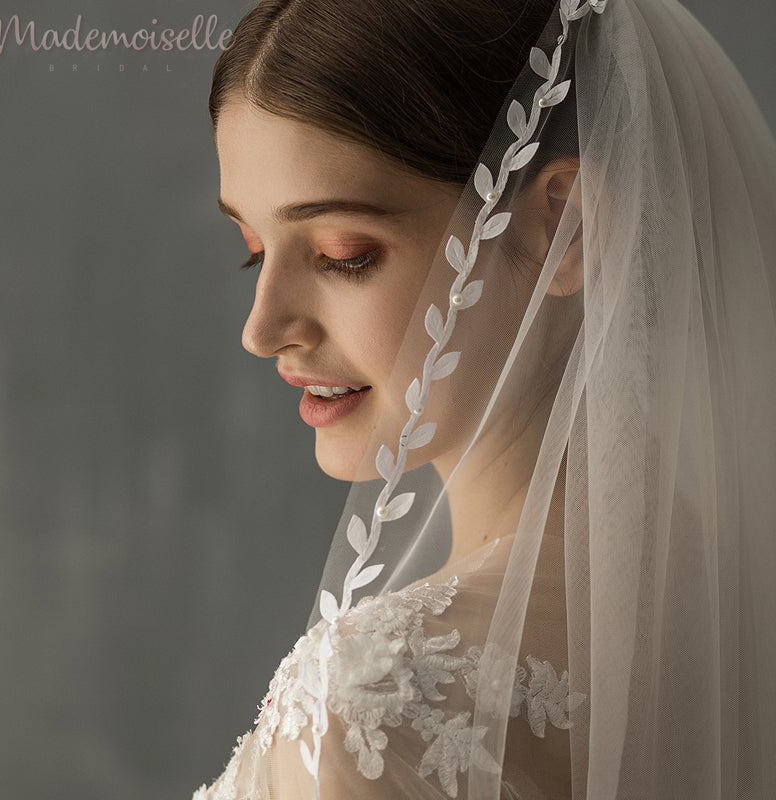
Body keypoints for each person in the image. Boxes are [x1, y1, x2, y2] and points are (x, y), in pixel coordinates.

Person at [195, 0, 776, 797]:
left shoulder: (363, 716)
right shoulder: (742, 603)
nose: (263, 331)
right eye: (252, 254)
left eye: (344, 255)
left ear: (562, 230)